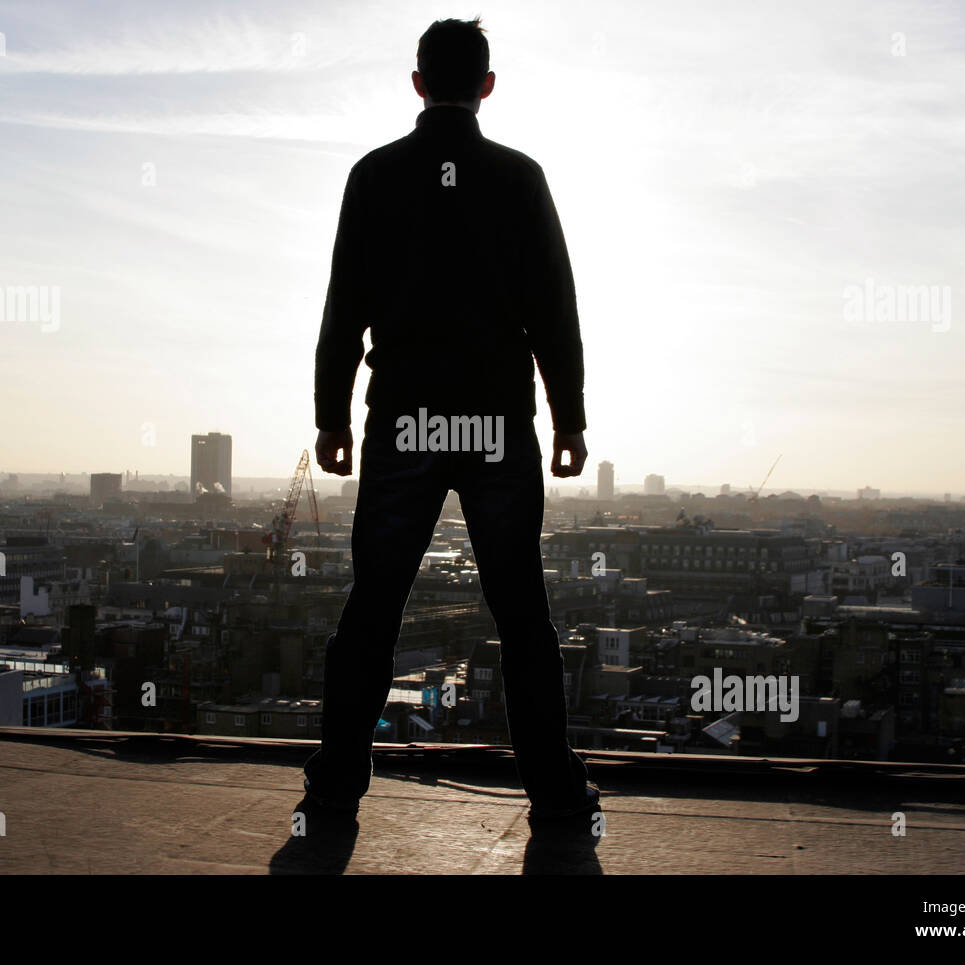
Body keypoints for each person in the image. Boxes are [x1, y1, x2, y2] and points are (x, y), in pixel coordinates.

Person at [301, 17, 599, 832]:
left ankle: (334, 787)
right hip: (496, 417)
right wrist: (569, 417)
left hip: (405, 416)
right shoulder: (519, 178)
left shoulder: (374, 176)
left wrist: (331, 416)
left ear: (418, 82)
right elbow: (553, 312)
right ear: (488, 87)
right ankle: (556, 791)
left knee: (375, 606)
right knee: (520, 609)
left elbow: (343, 312)